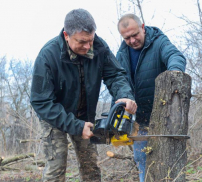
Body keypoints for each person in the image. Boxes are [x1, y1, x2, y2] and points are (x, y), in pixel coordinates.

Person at [30, 9, 137, 182]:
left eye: (90, 40)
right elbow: (41, 101)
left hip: (84, 115)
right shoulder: (48, 56)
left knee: (91, 168)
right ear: (66, 35)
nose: (88, 46)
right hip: (54, 117)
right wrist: (75, 125)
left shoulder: (99, 47)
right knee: (56, 168)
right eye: (82, 41)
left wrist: (124, 95)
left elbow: (115, 75)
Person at [115, 14, 186, 182]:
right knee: (143, 165)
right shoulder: (121, 54)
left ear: (143, 28)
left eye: (135, 35)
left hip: (165, 120)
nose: (132, 40)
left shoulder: (159, 42)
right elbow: (118, 82)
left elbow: (175, 56)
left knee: (167, 166)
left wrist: (174, 72)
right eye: (127, 38)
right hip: (139, 121)